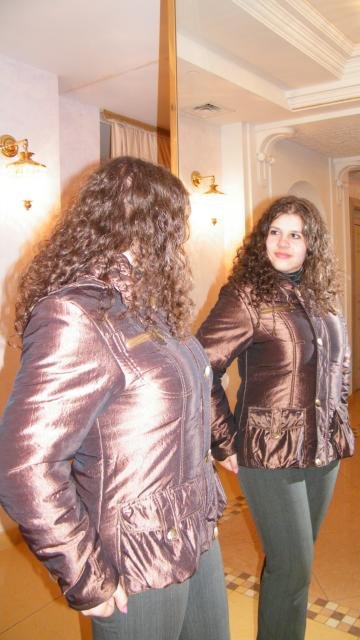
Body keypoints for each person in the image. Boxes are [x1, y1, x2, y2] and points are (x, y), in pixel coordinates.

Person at [0, 157, 230, 640]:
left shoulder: (151, 309)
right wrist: (86, 576)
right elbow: (24, 465)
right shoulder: (75, 315)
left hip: (192, 531)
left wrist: (204, 506)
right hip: (135, 556)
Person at [197, 195, 354, 640]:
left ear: (311, 244)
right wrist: (223, 440)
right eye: (275, 232)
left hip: (323, 450)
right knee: (293, 567)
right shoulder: (246, 296)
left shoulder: (324, 297)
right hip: (268, 452)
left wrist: (339, 417)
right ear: (262, 239)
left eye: (295, 235)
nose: (283, 243)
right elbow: (201, 367)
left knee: (294, 564)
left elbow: (339, 366)